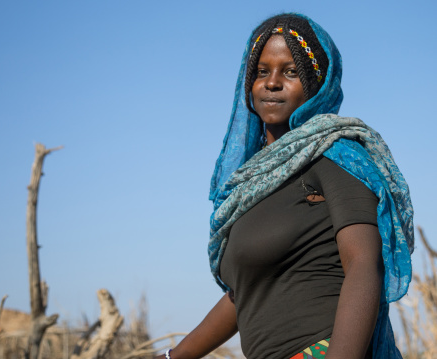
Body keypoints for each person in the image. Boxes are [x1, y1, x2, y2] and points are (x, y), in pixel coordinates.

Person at [156, 13, 413, 359]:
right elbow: (243, 294)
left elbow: (364, 263)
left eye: (290, 72)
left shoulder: (334, 155)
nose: (271, 83)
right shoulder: (252, 186)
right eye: (262, 72)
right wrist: (173, 357)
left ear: (316, 84)